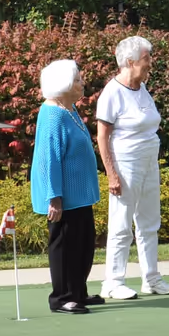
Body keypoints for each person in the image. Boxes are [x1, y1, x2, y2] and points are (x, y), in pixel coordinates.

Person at [96, 35, 169, 300]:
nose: (150, 64)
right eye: (146, 59)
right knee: (121, 225)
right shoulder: (112, 92)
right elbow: (102, 137)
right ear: (129, 62)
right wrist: (112, 174)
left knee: (149, 222)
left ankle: (151, 278)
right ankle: (112, 282)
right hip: (125, 164)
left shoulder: (142, 89)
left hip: (148, 163)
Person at [30, 59, 103, 314]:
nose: (82, 83)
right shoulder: (52, 115)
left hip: (80, 196)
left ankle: (78, 291)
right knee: (65, 246)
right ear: (62, 84)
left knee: (82, 245)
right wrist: (54, 196)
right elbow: (48, 158)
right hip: (65, 198)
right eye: (77, 80)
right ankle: (62, 298)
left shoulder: (68, 109)